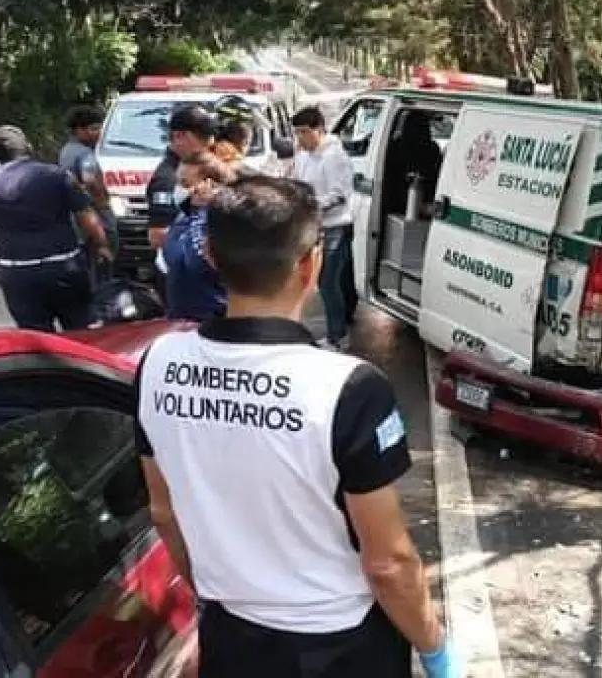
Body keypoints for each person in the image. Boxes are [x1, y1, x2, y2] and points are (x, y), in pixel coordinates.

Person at [134, 175, 460, 677]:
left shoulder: (157, 364)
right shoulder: (346, 388)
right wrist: (436, 648)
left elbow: (164, 511)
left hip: (232, 638)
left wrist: (214, 600)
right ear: (310, 265)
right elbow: (388, 563)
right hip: (340, 649)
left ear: (212, 259)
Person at [0, 126, 112, 332]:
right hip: (64, 268)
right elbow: (87, 217)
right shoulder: (57, 176)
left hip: (17, 274)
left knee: (37, 339)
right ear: (28, 147)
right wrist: (102, 246)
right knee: (83, 331)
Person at [292, 106, 357, 350]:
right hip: (315, 225)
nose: (300, 138)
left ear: (319, 130)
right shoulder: (304, 156)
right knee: (336, 280)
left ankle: (338, 336)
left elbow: (339, 195)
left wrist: (312, 206)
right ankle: (340, 324)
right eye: (297, 133)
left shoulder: (334, 156)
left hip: (335, 226)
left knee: (328, 283)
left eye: (304, 132)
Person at [145, 104, 216, 303]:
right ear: (178, 137)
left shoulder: (199, 167)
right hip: (179, 274)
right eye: (201, 137)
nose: (209, 143)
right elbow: (157, 236)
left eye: (209, 136)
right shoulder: (168, 178)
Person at [161, 154, 227, 322]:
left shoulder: (220, 222)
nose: (179, 188)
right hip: (180, 317)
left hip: (209, 320)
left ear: (210, 185)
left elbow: (198, 262)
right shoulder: (185, 215)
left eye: (185, 183)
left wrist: (201, 212)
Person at [58, 105, 117, 285]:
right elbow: (91, 182)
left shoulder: (66, 151)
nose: (98, 133)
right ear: (78, 130)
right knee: (102, 265)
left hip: (75, 221)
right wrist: (104, 207)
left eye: (99, 128)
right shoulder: (85, 154)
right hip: (93, 216)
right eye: (93, 129)